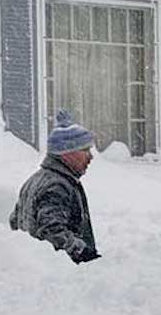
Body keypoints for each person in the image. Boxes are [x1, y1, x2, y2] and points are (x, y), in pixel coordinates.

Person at [10, 110, 101, 263]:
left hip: (33, 268)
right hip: (58, 275)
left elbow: (15, 221)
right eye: (85, 150)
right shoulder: (57, 186)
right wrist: (81, 252)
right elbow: (51, 231)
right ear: (66, 153)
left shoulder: (36, 180)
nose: (90, 156)